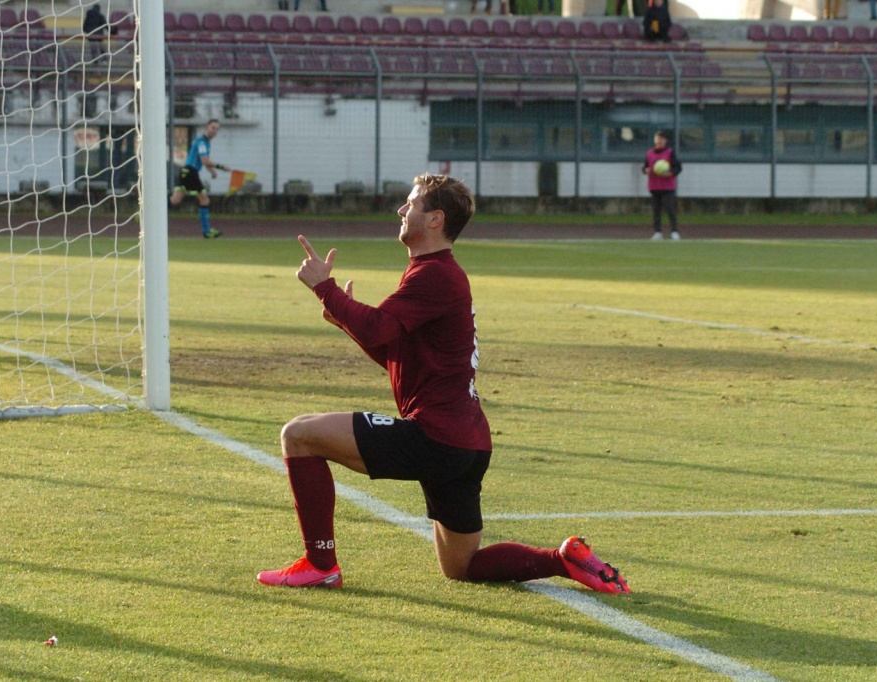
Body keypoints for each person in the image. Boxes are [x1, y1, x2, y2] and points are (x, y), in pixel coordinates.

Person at [256, 173, 631, 594]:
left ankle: (320, 564)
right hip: (466, 444)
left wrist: (325, 288)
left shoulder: (435, 274)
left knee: (299, 435)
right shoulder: (432, 273)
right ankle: (563, 559)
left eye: (411, 204)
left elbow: (379, 328)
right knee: (461, 565)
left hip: (436, 437)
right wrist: (344, 317)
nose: (402, 210)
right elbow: (397, 356)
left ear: (434, 219)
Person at [169, 119, 229, 239]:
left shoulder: (204, 142)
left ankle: (146, 212)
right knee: (204, 200)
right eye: (213, 128)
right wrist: (221, 167)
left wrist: (212, 172)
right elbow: (205, 161)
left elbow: (203, 162)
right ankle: (206, 232)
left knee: (174, 200)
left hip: (185, 172)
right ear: (207, 127)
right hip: (190, 173)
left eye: (217, 129)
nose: (215, 131)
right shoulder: (202, 142)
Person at [642, 130, 682, 240]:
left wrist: (670, 173)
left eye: (662, 139)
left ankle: (674, 231)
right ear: (655, 140)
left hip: (667, 187)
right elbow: (645, 167)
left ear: (665, 141)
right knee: (656, 210)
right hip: (654, 186)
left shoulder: (669, 152)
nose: (659, 141)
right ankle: (657, 232)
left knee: (670, 209)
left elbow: (678, 168)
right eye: (658, 138)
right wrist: (646, 170)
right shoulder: (649, 153)